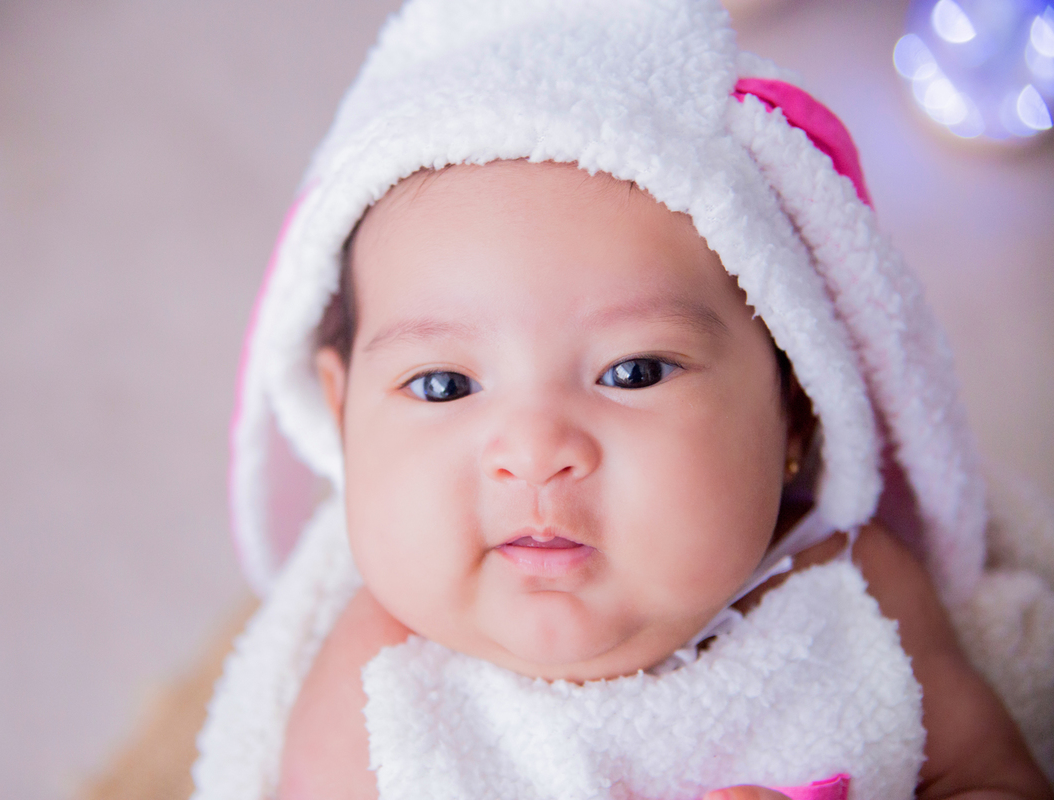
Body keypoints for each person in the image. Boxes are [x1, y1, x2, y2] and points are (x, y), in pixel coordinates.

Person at [191, 2, 1054, 799]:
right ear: (344, 418)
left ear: (793, 411)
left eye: (634, 372)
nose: (535, 450)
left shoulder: (857, 600)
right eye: (445, 385)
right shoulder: (377, 688)